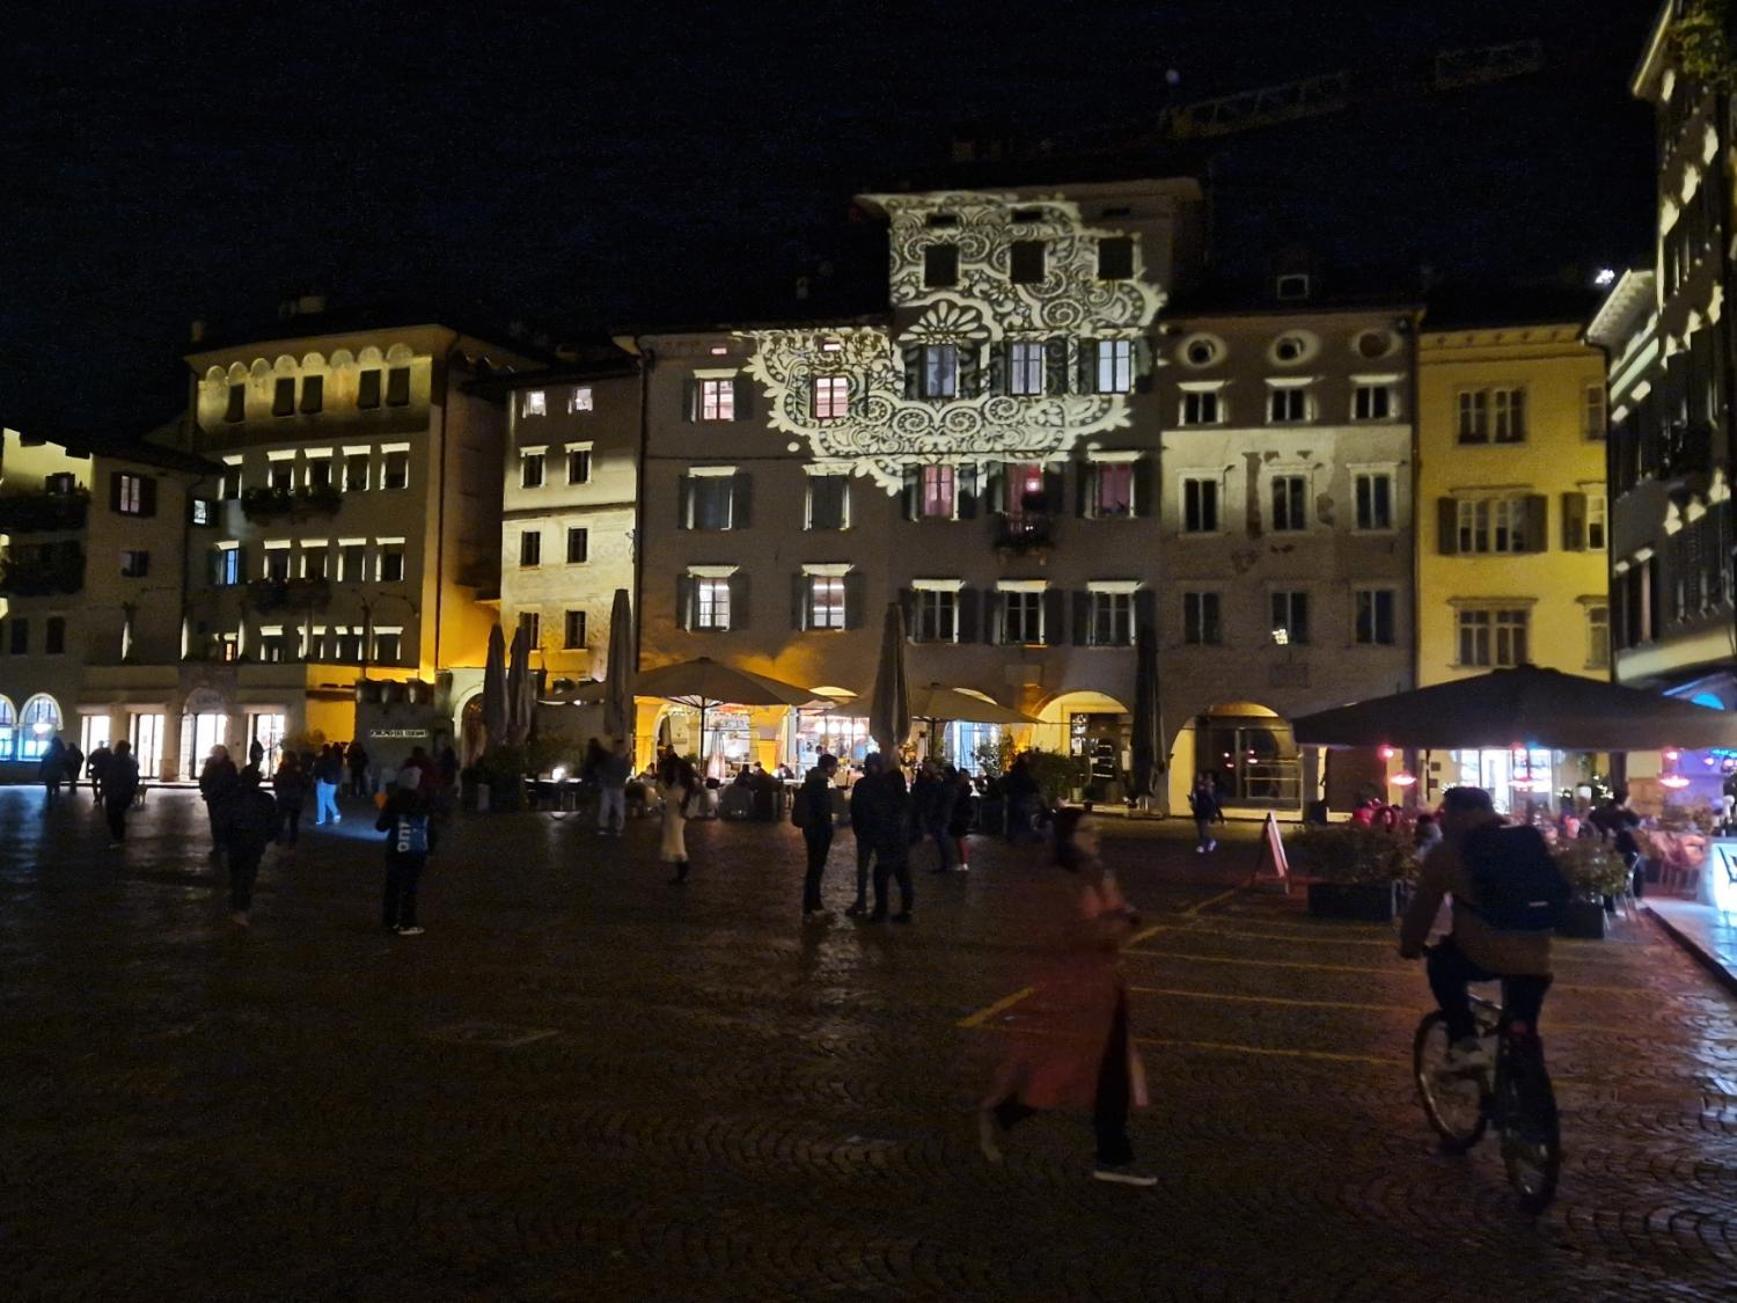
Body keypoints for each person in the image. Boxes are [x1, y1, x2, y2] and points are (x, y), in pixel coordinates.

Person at [978, 807, 1154, 1186]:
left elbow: (1117, 918)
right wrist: (1119, 923)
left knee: (1106, 1073)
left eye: (1097, 828)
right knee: (1067, 1066)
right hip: (1075, 989)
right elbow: (1077, 932)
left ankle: (1110, 1153)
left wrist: (1121, 920)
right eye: (1087, 830)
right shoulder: (1061, 882)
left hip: (1104, 987)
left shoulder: (1098, 874)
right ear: (1066, 838)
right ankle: (1009, 1114)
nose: (1096, 835)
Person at [1398, 786, 1559, 1073]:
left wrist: (1410, 945)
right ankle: (1535, 1109)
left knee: (1441, 965)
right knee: (1526, 1036)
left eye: (1447, 812)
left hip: (1483, 955)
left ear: (1464, 814)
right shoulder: (1526, 840)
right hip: (1537, 958)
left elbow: (1423, 909)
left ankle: (1464, 1043)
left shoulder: (1448, 852)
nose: (1442, 820)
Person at [377, 769, 437, 936]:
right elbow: (431, 830)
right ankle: (408, 922)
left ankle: (390, 921)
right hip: (417, 850)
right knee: (410, 887)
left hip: (396, 849)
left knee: (393, 886)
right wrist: (431, 850)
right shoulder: (424, 802)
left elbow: (381, 826)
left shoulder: (393, 801)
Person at [854, 755, 913, 923]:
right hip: (895, 840)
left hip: (884, 838)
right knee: (902, 875)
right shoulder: (902, 797)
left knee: (879, 873)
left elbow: (860, 811)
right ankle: (905, 910)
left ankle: (878, 908)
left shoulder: (880, 792)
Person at [219, 765, 279, 928]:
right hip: (254, 843)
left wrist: (224, 840)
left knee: (236, 874)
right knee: (248, 876)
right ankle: (242, 908)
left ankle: (237, 905)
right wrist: (265, 838)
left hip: (236, 842)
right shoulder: (266, 800)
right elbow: (273, 824)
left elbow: (223, 821)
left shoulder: (232, 798)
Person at [797, 753, 840, 920]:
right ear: (829, 768)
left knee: (814, 868)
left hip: (811, 829)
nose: (836, 770)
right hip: (819, 831)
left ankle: (814, 905)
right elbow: (822, 811)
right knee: (815, 869)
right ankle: (811, 907)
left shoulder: (811, 781)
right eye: (835, 767)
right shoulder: (820, 785)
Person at [657, 753, 698, 883]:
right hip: (674, 816)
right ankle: (681, 874)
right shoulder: (682, 785)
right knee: (676, 842)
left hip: (675, 816)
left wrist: (661, 789)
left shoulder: (681, 787)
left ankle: (683, 874)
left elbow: (671, 797)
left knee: (678, 844)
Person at [199, 744, 239, 859]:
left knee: (223, 822)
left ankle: (223, 844)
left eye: (219, 753)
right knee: (215, 822)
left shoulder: (228, 766)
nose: (217, 755)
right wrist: (204, 789)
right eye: (216, 753)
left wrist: (210, 791)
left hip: (224, 798)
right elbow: (204, 777)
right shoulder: (212, 764)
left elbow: (230, 782)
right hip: (213, 798)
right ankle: (218, 845)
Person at [102, 740, 140, 848]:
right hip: (123, 793)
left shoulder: (114, 760)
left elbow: (108, 776)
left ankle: (117, 838)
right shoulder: (130, 762)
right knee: (118, 815)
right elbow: (134, 778)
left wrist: (104, 790)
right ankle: (118, 838)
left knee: (113, 816)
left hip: (115, 792)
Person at [272, 750, 308, 846]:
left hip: (285, 797)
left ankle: (280, 839)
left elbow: (278, 782)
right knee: (293, 821)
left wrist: (278, 790)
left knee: (281, 819)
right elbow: (304, 783)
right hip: (295, 798)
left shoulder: (283, 769)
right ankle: (292, 840)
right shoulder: (298, 769)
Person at [598, 739, 631, 835]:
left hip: (613, 786)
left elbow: (601, 769)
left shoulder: (619, 760)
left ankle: (612, 827)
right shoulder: (622, 760)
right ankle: (613, 827)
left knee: (613, 808)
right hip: (613, 786)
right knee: (609, 808)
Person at [948, 767, 976, 871]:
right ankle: (963, 861)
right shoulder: (964, 789)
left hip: (960, 815)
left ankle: (963, 862)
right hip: (962, 815)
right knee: (960, 839)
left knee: (960, 839)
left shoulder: (961, 790)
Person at [1188, 774, 1221, 854]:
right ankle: (1209, 842)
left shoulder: (1204, 789)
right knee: (1200, 830)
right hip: (1198, 811)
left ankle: (1203, 845)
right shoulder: (1196, 789)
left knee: (1203, 829)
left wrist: (1211, 812)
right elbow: (1195, 799)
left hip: (1204, 811)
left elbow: (1210, 801)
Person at [312, 744, 343, 825]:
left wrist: (315, 777)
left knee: (321, 800)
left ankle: (321, 819)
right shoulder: (335, 760)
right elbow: (338, 771)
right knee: (329, 799)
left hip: (322, 780)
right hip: (332, 782)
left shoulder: (320, 759)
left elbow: (317, 769)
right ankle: (336, 813)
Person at [40, 735, 67, 804]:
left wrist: (41, 771)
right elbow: (64, 761)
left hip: (49, 771)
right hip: (57, 772)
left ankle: (50, 803)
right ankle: (55, 801)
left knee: (49, 788)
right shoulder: (62, 751)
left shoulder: (49, 750)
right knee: (56, 787)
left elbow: (43, 758)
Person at [87, 740, 113, 806]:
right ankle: (100, 797)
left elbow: (90, 760)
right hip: (105, 770)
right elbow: (112, 760)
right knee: (103, 785)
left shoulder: (96, 751)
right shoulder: (108, 752)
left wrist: (88, 769)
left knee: (94, 784)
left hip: (97, 769)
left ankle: (96, 797)